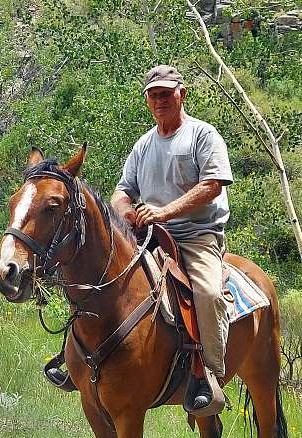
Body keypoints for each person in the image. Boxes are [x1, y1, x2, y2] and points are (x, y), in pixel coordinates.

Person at [110, 65, 233, 409]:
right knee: (102, 275)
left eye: (166, 93)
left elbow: (212, 185)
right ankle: (76, 359)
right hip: (148, 235)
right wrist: (124, 211)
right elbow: (122, 190)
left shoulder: (202, 135)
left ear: (182, 94)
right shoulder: (143, 145)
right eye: (154, 94)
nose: (160, 99)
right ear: (147, 100)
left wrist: (164, 211)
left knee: (207, 292)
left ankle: (209, 374)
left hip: (196, 236)